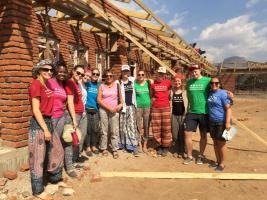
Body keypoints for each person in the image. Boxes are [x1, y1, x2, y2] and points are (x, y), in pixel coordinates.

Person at [29, 59, 64, 200]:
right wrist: (45, 129)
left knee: (57, 150)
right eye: (45, 70)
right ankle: (37, 190)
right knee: (37, 158)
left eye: (51, 70)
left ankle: (54, 178)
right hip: (39, 124)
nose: (49, 72)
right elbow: (36, 110)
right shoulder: (36, 84)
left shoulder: (47, 84)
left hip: (49, 121)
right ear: (38, 71)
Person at [46, 64, 78, 178]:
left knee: (68, 141)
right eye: (60, 71)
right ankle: (53, 170)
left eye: (64, 72)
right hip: (52, 117)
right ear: (55, 71)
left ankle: (69, 167)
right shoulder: (49, 82)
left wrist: (74, 119)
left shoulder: (64, 84)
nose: (62, 74)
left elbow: (69, 102)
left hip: (63, 116)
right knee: (54, 144)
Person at [183, 64, 211, 165]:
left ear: (200, 71)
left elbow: (218, 88)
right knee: (187, 133)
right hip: (192, 112)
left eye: (196, 71)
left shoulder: (208, 80)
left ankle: (200, 155)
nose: (194, 73)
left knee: (203, 135)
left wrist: (227, 92)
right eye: (192, 71)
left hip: (204, 112)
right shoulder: (189, 82)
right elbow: (188, 97)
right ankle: (190, 156)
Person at [207, 77, 232, 172]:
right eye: (212, 83)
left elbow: (228, 109)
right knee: (215, 142)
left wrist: (227, 123)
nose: (214, 84)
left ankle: (222, 164)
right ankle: (217, 161)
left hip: (221, 122)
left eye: (216, 83)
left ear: (219, 84)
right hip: (212, 121)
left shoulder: (223, 94)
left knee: (221, 144)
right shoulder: (210, 93)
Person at [97, 70, 123, 159]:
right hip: (104, 110)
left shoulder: (117, 85)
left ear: (113, 77)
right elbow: (99, 100)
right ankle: (103, 148)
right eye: (107, 75)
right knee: (104, 130)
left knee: (114, 130)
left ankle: (114, 148)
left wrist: (120, 105)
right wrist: (109, 108)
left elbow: (121, 98)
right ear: (105, 76)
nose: (109, 77)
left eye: (110, 76)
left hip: (114, 110)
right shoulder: (102, 86)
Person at [65, 65, 87, 164]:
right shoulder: (70, 83)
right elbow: (70, 102)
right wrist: (74, 119)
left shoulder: (77, 83)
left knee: (81, 136)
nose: (80, 75)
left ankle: (76, 156)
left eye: (82, 74)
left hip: (81, 113)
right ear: (73, 71)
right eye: (78, 73)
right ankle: (71, 162)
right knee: (73, 138)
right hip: (74, 115)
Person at [151, 67, 172, 157]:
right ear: (157, 73)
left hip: (166, 107)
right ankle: (159, 145)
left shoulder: (168, 82)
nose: (161, 75)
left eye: (162, 74)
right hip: (156, 108)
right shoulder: (153, 84)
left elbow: (169, 92)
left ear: (164, 75)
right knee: (156, 127)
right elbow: (151, 95)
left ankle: (166, 146)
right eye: (159, 73)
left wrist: (166, 99)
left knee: (166, 127)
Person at [118, 65, 139, 156]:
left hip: (131, 106)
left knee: (132, 126)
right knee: (122, 126)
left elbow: (143, 79)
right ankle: (123, 145)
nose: (126, 73)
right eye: (124, 71)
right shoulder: (118, 82)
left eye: (127, 71)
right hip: (123, 107)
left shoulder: (132, 81)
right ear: (121, 72)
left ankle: (134, 146)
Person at [84, 68, 101, 156]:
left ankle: (94, 145)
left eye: (97, 74)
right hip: (86, 109)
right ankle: (87, 147)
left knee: (95, 129)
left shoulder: (99, 85)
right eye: (93, 74)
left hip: (96, 109)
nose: (95, 75)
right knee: (87, 129)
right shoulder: (87, 83)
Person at [134, 70, 152, 153]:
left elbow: (152, 93)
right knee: (138, 125)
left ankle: (145, 143)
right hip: (138, 107)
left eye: (142, 74)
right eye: (139, 74)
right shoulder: (135, 84)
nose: (141, 76)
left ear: (145, 75)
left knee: (146, 125)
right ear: (137, 75)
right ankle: (139, 143)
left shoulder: (148, 83)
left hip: (147, 107)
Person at [170, 74, 188, 158]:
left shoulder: (185, 92)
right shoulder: (171, 92)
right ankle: (176, 150)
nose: (177, 82)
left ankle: (182, 150)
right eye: (175, 81)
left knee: (182, 134)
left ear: (181, 82)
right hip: (174, 115)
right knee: (174, 134)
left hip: (183, 116)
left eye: (179, 81)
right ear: (173, 82)